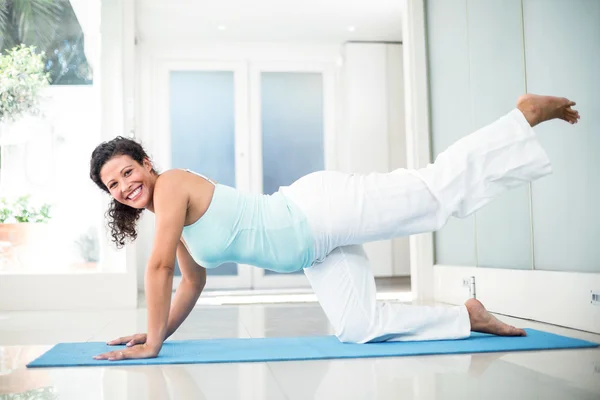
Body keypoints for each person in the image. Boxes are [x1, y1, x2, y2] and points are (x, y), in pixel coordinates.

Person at [90, 94, 580, 361]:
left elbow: (157, 268)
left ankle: (521, 118)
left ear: (147, 164)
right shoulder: (175, 223)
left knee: (433, 195)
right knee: (359, 327)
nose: (125, 186)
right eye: (113, 185)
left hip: (318, 212)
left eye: (128, 172)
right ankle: (466, 318)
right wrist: (158, 334)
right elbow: (190, 283)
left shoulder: (173, 184)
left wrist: (152, 344)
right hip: (314, 250)